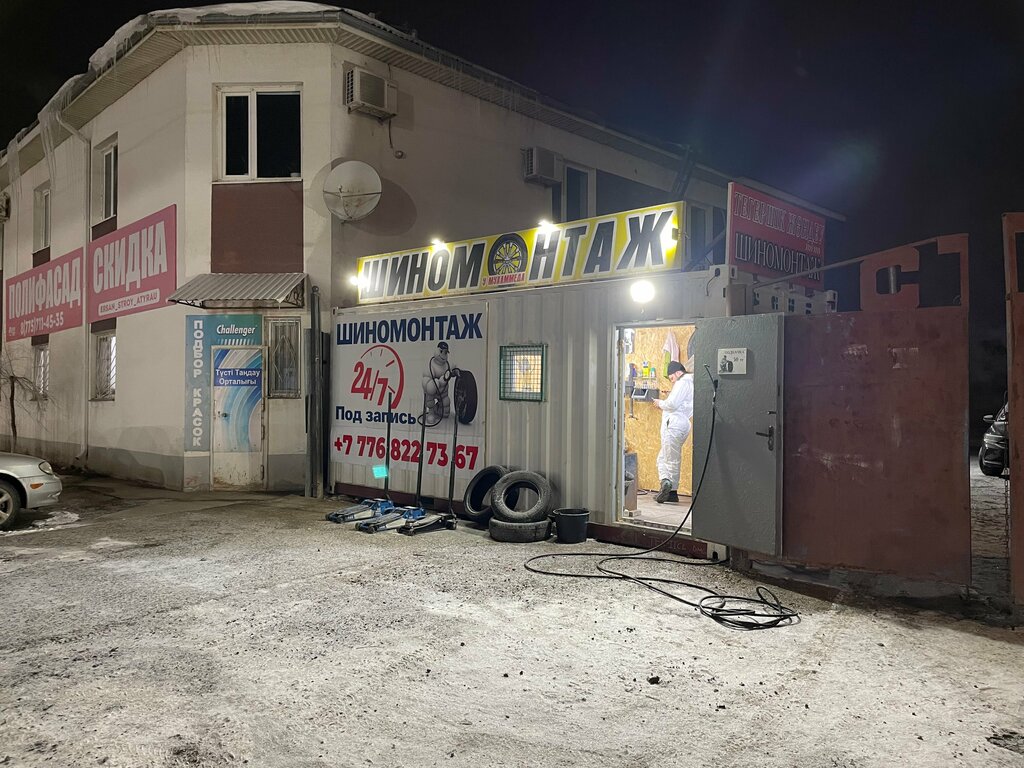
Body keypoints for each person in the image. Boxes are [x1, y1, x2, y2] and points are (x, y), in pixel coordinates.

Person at [653, 360, 694, 503]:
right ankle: (665, 482)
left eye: (671, 378)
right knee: (663, 458)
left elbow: (672, 404)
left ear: (677, 373)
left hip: (674, 424)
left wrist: (660, 403)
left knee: (671, 459)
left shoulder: (682, 382)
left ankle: (671, 492)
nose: (672, 381)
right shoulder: (691, 383)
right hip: (683, 423)